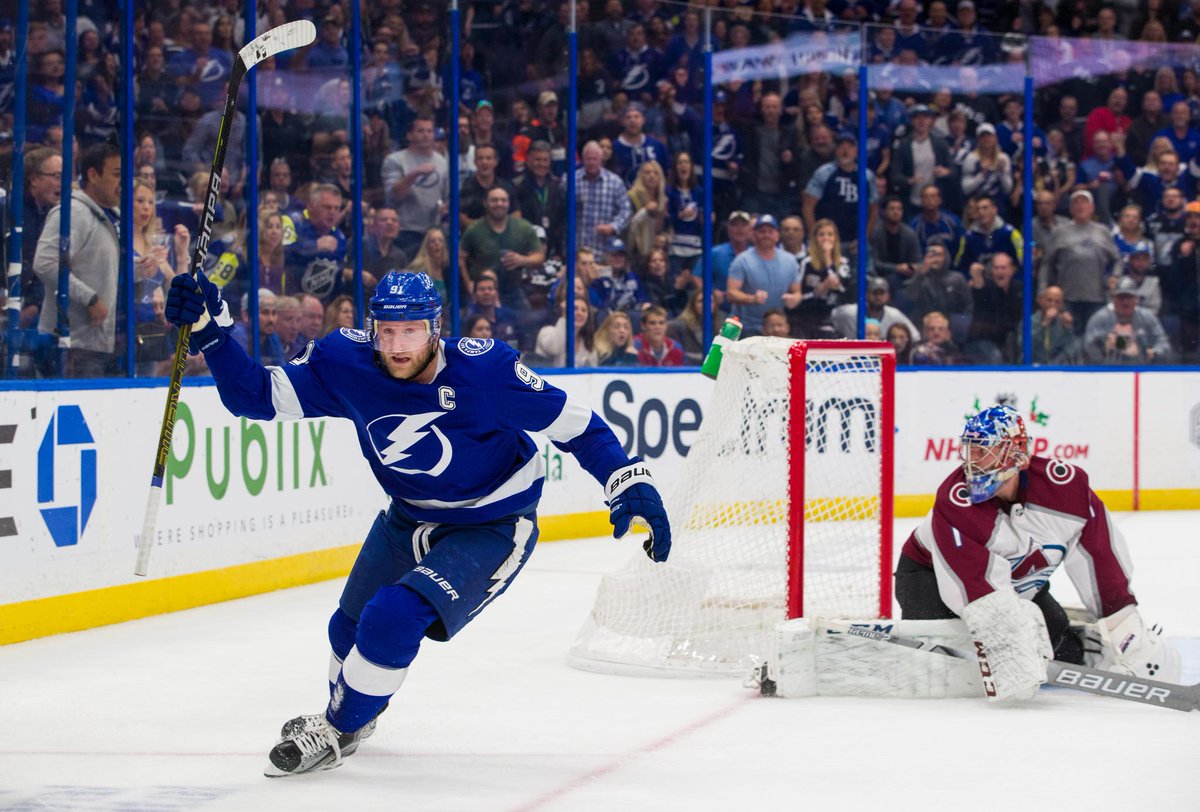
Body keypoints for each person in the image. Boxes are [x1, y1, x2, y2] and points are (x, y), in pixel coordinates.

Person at [162, 270, 671, 776]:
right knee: (348, 628)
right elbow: (254, 396)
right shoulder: (346, 363)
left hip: (493, 524)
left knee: (392, 616)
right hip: (408, 515)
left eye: (411, 330)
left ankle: (337, 728)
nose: (398, 345)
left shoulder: (485, 372)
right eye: (387, 330)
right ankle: (355, 716)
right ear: (372, 328)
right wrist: (212, 330)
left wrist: (626, 480)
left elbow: (578, 426)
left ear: (435, 327)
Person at [894, 405, 1179, 702]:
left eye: (981, 451)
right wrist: (1007, 639)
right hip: (927, 579)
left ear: (1014, 452)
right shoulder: (956, 502)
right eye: (969, 451)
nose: (971, 461)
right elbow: (972, 586)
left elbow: (1099, 557)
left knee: (1063, 648)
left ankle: (1094, 645)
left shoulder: (1064, 489)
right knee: (938, 662)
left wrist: (1121, 621)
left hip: (1022, 587)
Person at [33, 142, 122, 378]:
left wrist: (143, 268)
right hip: (71, 345)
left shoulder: (113, 216)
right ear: (93, 175)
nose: (122, 182)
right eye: (115, 174)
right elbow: (45, 262)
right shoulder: (74, 212)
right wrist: (90, 299)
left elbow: (104, 268)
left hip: (101, 342)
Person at [725, 214, 801, 337]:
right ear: (754, 235)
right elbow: (731, 293)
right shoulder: (742, 260)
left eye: (770, 231)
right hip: (747, 327)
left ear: (777, 235)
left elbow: (797, 293)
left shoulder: (790, 261)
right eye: (762, 231)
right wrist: (752, 299)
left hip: (776, 328)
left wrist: (794, 299)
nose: (766, 235)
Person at [1083, 277, 1173, 364]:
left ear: (1136, 299)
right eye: (1121, 298)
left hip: (1142, 372)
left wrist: (1149, 353)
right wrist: (1103, 348)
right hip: (1107, 373)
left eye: (1129, 297)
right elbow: (1086, 350)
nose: (1125, 302)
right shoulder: (1099, 319)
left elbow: (1165, 346)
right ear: (1113, 299)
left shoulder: (1147, 317)